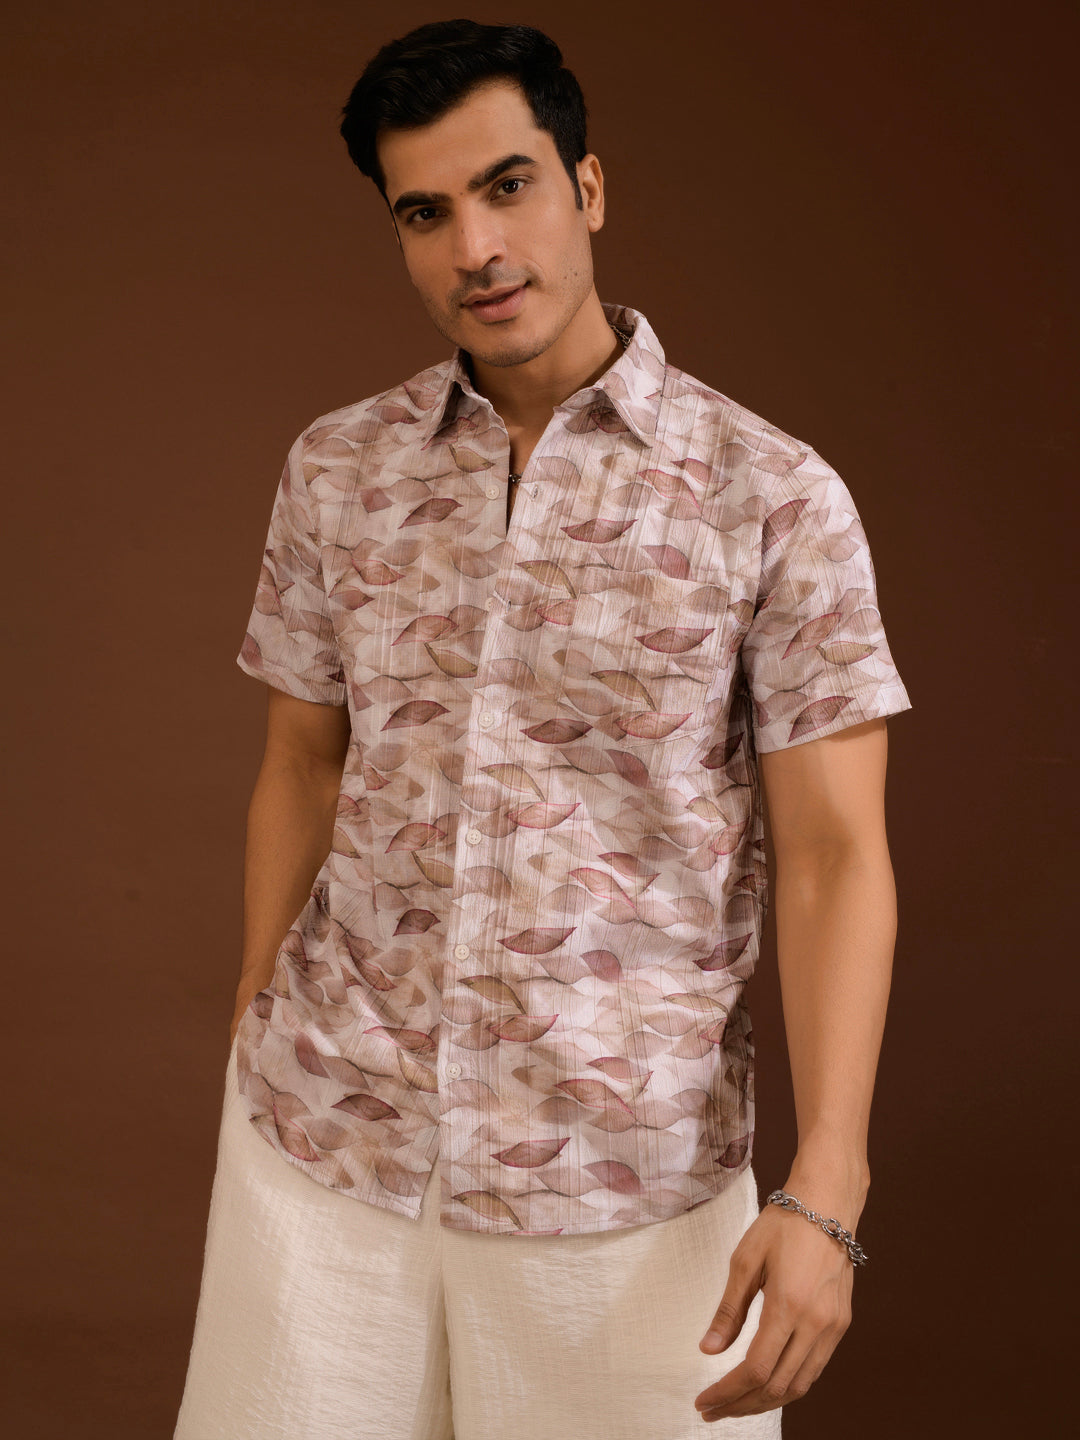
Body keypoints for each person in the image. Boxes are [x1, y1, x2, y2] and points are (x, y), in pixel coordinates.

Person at [173, 18, 913, 1440]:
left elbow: (835, 857)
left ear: (588, 187)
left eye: (507, 186)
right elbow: (303, 761)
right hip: (326, 1151)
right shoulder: (337, 470)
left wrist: (829, 1185)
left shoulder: (772, 497)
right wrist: (259, 1004)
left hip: (625, 1179)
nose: (476, 248)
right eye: (425, 213)